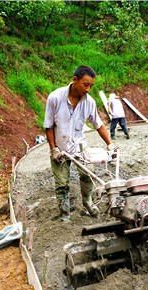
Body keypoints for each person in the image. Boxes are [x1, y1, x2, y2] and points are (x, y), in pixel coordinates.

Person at [44, 65, 116, 221]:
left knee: (88, 174)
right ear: (75, 80)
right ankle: (65, 215)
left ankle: (88, 202)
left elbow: (98, 124)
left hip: (79, 146)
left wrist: (110, 144)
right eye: (86, 84)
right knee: (62, 183)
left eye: (91, 86)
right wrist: (53, 149)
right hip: (59, 148)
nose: (88, 89)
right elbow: (48, 126)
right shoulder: (55, 98)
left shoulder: (89, 102)